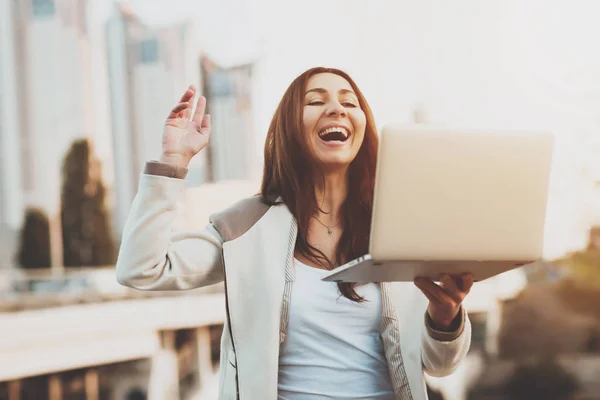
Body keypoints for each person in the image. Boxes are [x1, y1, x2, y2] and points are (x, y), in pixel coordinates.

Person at [116, 67, 474, 400]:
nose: (336, 108)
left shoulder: (402, 228)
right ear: (290, 127)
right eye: (316, 101)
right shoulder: (246, 226)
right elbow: (142, 268)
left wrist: (446, 317)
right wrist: (172, 162)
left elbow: (440, 365)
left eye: (349, 102)